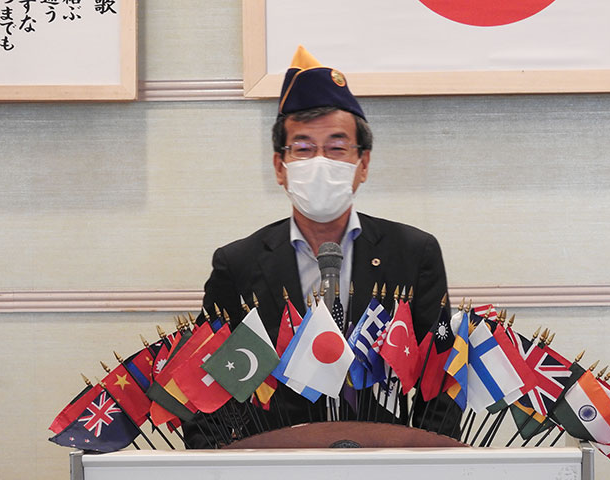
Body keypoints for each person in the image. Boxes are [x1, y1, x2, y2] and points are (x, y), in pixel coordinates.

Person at [183, 46, 461, 448]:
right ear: (280, 167)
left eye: (336, 148)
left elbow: (442, 373)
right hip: (274, 463)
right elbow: (208, 384)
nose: (319, 162)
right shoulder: (239, 263)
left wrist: (430, 461)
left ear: (363, 164)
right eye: (303, 148)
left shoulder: (413, 253)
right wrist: (218, 465)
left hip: (384, 462)